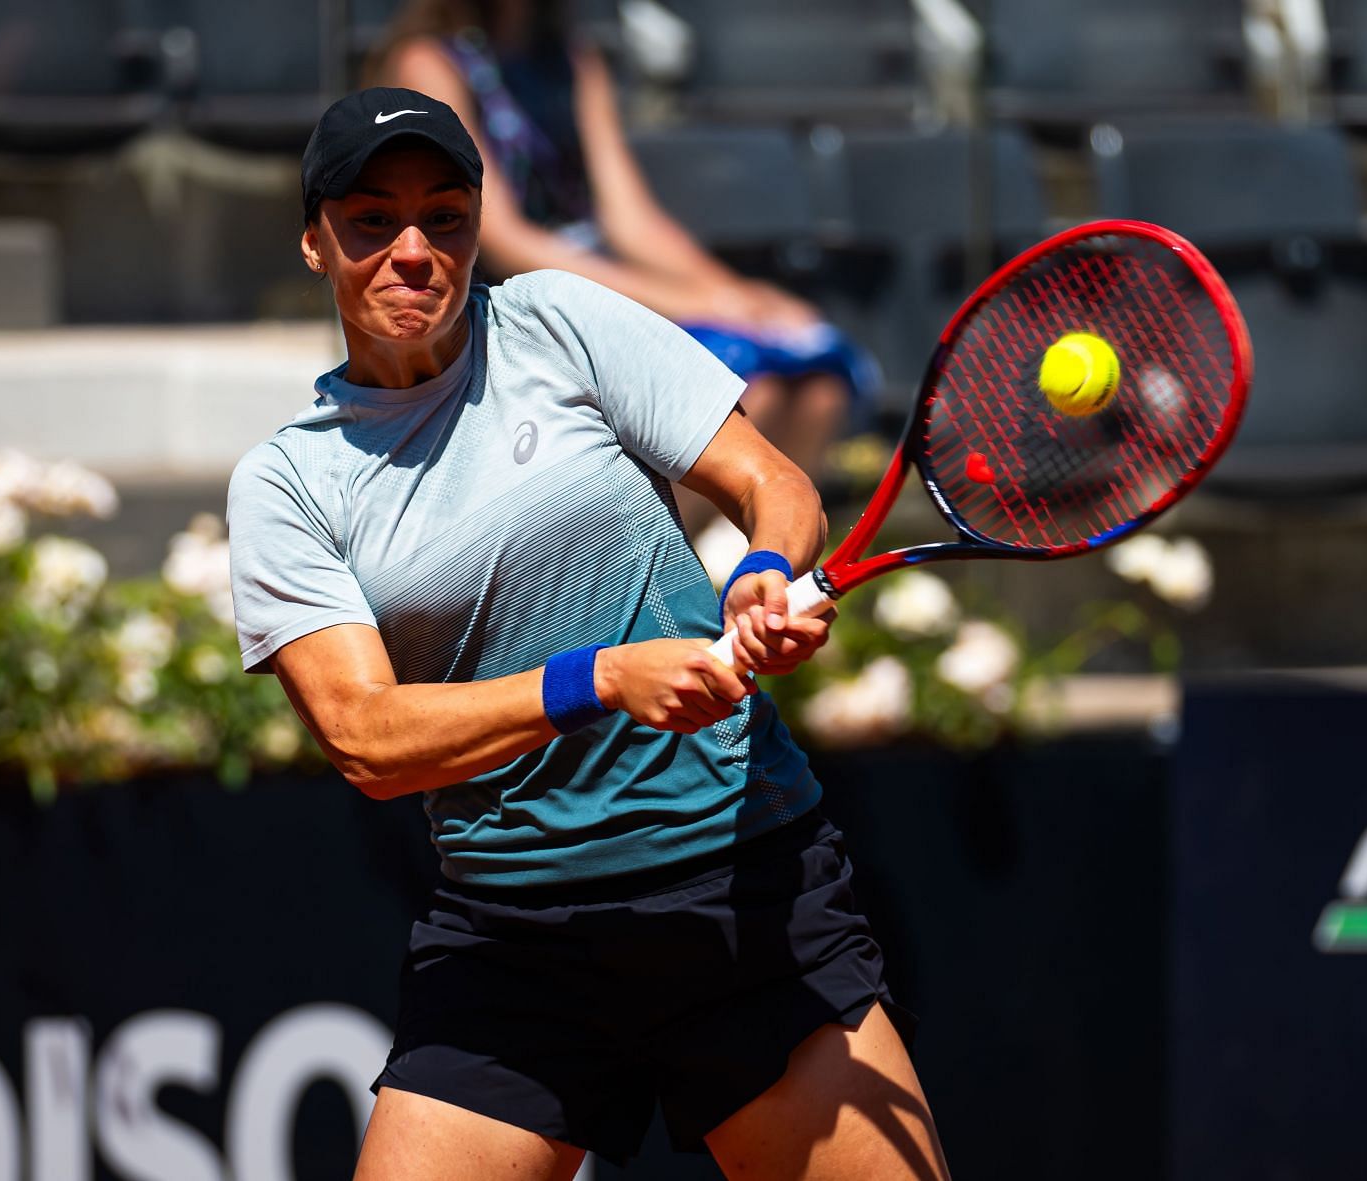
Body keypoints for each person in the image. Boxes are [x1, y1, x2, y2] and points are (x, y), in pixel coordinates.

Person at [226, 87, 948, 1179]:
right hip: (517, 945)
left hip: (741, 895)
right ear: (316, 239)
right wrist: (598, 678)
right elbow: (365, 737)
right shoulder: (291, 482)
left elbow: (772, 482)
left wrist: (761, 570)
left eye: (447, 216)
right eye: (373, 219)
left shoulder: (561, 319)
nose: (413, 250)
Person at [368, 0, 876, 536]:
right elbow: (500, 235)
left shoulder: (572, 57)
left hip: (596, 276)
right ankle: (642, 579)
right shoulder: (429, 62)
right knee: (753, 390)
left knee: (818, 383)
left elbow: (629, 220)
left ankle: (747, 571)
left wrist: (737, 297)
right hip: (512, 298)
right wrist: (698, 303)